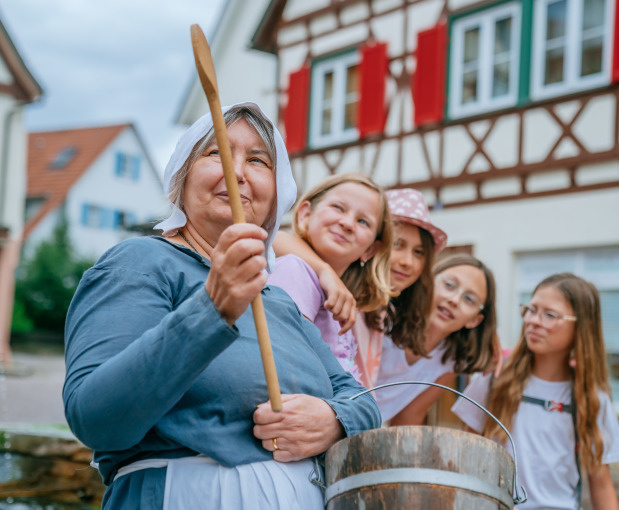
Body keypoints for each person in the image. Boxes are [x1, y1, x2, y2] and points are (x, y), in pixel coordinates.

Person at [62, 102, 381, 510]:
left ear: (275, 196)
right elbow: (96, 418)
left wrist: (335, 422)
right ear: (182, 177)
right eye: (217, 154)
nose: (239, 172)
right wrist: (212, 309)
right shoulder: (140, 262)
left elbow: (361, 399)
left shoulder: (277, 299)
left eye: (258, 160)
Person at [452, 273, 619, 510]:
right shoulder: (495, 376)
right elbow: (466, 455)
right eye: (531, 309)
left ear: (582, 327)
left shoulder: (591, 397)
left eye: (550, 315)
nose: (534, 321)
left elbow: (602, 485)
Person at [273, 187, 447, 389]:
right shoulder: (335, 289)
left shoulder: (382, 308)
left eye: (419, 252)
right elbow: (275, 239)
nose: (408, 261)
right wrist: (324, 270)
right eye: (398, 244)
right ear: (375, 245)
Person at [268, 173, 393, 381]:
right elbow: (286, 364)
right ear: (305, 214)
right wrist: (325, 270)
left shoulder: (341, 302)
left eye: (363, 221)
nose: (347, 223)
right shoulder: (294, 270)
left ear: (370, 250)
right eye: (338, 207)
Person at [375, 253, 498, 425]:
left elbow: (409, 418)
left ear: (474, 320)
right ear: (428, 282)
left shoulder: (450, 360)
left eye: (469, 299)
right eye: (449, 285)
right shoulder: (383, 320)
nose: (454, 300)